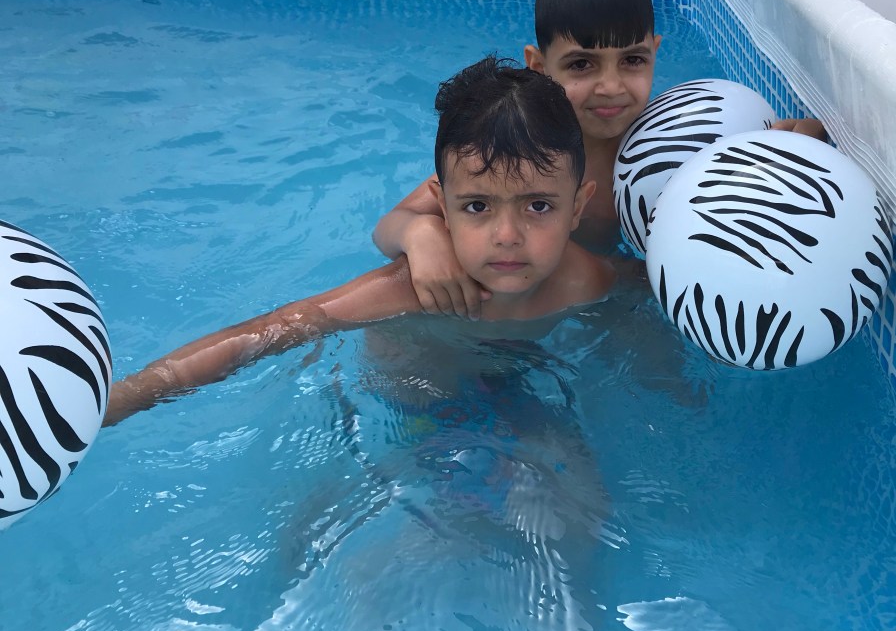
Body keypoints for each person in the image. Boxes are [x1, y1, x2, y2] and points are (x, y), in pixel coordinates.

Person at [104, 55, 616, 426]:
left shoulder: (589, 281)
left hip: (514, 383)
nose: (507, 237)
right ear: (441, 206)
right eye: (477, 207)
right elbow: (271, 331)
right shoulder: (413, 289)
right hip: (412, 408)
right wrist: (130, 396)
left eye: (538, 206)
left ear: (577, 206)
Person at [372, 0, 826, 319]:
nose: (611, 87)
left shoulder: (679, 149)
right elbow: (390, 226)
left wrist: (788, 157)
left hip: (610, 295)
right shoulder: (522, 148)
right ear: (538, 66)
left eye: (632, 60)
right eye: (582, 64)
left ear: (655, 53)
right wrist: (421, 234)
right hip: (525, 293)